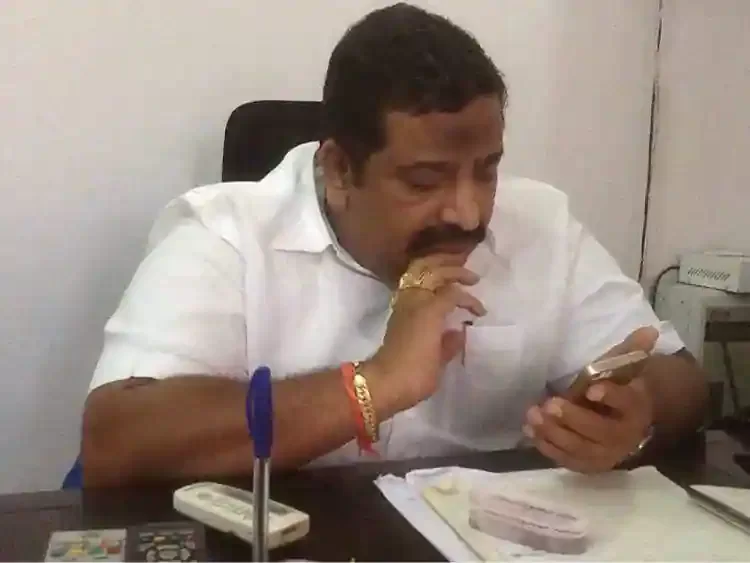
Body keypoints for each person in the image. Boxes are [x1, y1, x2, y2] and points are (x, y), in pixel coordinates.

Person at [80, 3, 707, 487]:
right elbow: (116, 441)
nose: (468, 212)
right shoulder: (225, 234)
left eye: (486, 170)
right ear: (339, 170)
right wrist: (374, 384)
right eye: (425, 180)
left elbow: (681, 378)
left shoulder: (541, 223)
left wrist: (638, 411)